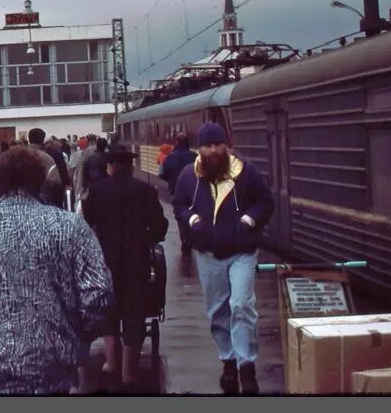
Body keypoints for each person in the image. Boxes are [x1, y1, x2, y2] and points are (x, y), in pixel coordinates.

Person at [0, 146, 114, 395]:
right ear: (40, 180)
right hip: (54, 370)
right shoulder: (72, 228)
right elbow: (98, 295)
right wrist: (79, 337)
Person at [172, 121, 274, 395]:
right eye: (208, 145)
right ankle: (228, 360)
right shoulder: (188, 177)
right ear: (200, 148)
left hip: (242, 250)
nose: (214, 150)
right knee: (218, 311)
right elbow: (179, 204)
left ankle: (246, 365)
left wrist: (249, 219)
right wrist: (192, 219)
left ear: (227, 145)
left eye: (218, 144)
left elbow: (266, 201)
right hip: (208, 254)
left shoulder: (246, 172)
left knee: (241, 304)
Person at [82, 142, 168, 391]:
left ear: (109, 165)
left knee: (109, 312)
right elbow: (160, 226)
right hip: (136, 261)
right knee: (134, 314)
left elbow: (87, 223)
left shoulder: (96, 191)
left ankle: (111, 363)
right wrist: (148, 237)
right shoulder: (144, 190)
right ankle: (129, 371)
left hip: (105, 261)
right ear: (130, 165)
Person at [160, 132, 198, 255]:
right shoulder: (194, 156)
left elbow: (163, 173)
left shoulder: (170, 157)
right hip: (195, 191)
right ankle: (193, 236)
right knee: (195, 212)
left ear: (176, 142)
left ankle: (185, 239)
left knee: (180, 215)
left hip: (177, 191)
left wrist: (171, 182)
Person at [26, 127, 69, 209]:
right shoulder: (50, 155)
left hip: (25, 196)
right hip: (48, 197)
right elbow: (58, 178)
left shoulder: (18, 155)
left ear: (29, 138)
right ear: (43, 139)